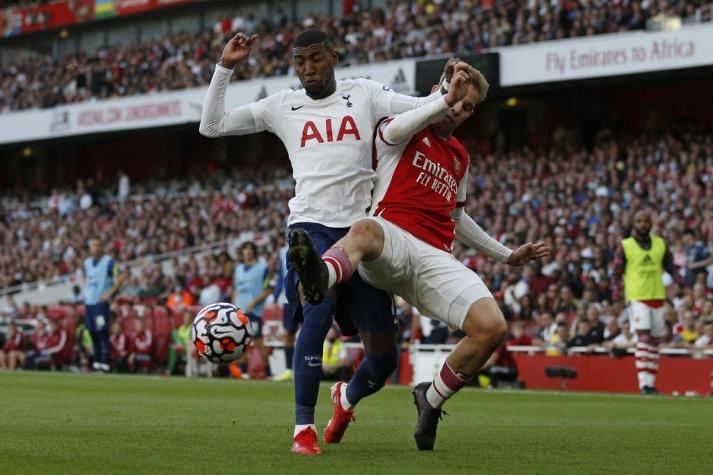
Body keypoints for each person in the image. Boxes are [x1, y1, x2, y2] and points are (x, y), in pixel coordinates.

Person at [199, 29, 455, 454]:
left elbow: (419, 109)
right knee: (318, 304)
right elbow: (211, 126)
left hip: (362, 235)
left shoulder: (366, 94)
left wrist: (446, 91)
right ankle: (303, 428)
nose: (307, 69)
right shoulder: (282, 105)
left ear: (334, 56)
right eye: (299, 62)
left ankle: (345, 397)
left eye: (315, 59)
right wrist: (225, 67)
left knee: (383, 362)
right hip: (309, 228)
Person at [291, 68, 549, 450]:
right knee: (364, 229)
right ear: (436, 91)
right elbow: (393, 132)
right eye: (454, 99)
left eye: (467, 106)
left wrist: (507, 255)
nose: (458, 109)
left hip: (433, 258)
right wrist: (441, 99)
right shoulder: (404, 127)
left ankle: (430, 397)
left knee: (492, 327)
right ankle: (319, 277)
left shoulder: (460, 157)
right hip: (389, 241)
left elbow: (457, 218)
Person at [613, 209, 675, 395]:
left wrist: (679, 287)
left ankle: (651, 383)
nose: (642, 224)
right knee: (644, 337)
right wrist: (616, 297)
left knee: (654, 341)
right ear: (634, 223)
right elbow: (616, 273)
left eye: (646, 221)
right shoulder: (625, 245)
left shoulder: (660, 244)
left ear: (650, 223)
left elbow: (672, 268)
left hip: (657, 296)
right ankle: (643, 384)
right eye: (639, 221)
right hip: (637, 297)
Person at [83, 237, 125, 372]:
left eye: (97, 245)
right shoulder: (87, 263)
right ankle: (97, 362)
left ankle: (105, 362)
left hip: (100, 303)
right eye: (92, 245)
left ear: (101, 247)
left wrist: (109, 293)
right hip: (89, 303)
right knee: (92, 331)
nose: (95, 248)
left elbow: (121, 276)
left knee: (102, 331)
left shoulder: (109, 262)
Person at [232, 242, 273, 377]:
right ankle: (244, 373)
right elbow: (235, 290)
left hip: (254, 311)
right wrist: (232, 308)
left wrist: (254, 301)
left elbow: (268, 290)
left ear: (254, 252)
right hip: (239, 311)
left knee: (259, 342)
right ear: (242, 252)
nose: (247, 252)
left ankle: (268, 373)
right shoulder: (238, 269)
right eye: (245, 249)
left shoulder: (262, 269)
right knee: (239, 343)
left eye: (250, 249)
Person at [273, 240, 297, 382]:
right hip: (288, 298)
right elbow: (281, 274)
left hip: (307, 296)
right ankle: (289, 370)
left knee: (311, 331)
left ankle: (310, 368)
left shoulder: (312, 243)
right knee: (289, 333)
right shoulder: (283, 250)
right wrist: (276, 295)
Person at [167, 310, 193, 375]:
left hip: (189, 349)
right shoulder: (182, 328)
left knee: (174, 333)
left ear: (191, 318)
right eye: (185, 317)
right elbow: (178, 339)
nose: (186, 319)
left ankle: (169, 370)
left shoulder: (192, 328)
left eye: (188, 317)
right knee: (172, 346)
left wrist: (183, 347)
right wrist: (176, 345)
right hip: (181, 349)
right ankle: (169, 371)